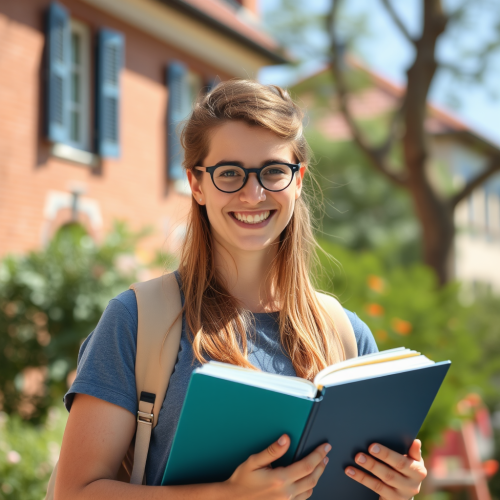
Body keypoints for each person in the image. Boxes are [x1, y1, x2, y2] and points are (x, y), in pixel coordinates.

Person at [56, 80, 426, 500]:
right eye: (230, 173)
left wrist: (397, 489)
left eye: (273, 171)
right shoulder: (136, 320)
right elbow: (75, 492)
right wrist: (222, 496)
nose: (254, 194)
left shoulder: (347, 335)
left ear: (298, 180)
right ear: (197, 184)